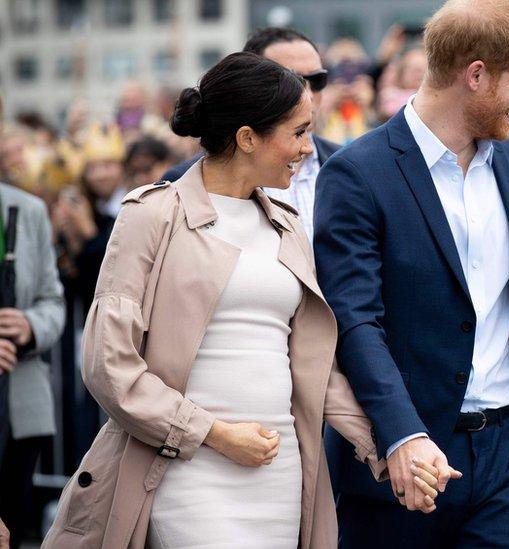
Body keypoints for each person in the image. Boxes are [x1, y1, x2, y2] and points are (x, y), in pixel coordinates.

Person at [42, 52, 441, 549]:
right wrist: (212, 433)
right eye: (297, 133)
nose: (307, 148)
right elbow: (109, 363)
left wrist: (388, 447)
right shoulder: (151, 214)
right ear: (248, 137)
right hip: (185, 470)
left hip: (283, 476)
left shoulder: (287, 223)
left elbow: (316, 372)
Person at [315, 1, 509, 546]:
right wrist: (401, 434)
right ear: (476, 74)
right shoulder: (357, 173)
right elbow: (355, 321)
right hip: (405, 462)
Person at [162, 27, 340, 242]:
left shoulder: (347, 167)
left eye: (317, 80)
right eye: (290, 81)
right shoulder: (174, 192)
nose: (308, 95)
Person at [0, 162, 67, 549]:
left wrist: (29, 326)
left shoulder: (27, 210)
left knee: (15, 528)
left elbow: (52, 300)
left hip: (21, 407)